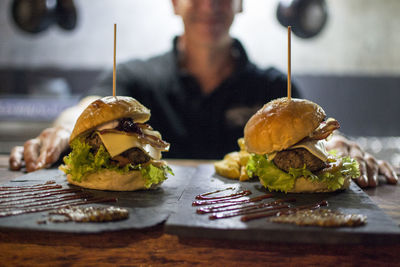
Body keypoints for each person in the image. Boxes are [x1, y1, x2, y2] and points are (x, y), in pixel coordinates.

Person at [8, 0, 397, 188]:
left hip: (251, 227)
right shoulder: (134, 76)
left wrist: (341, 146)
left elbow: (314, 136)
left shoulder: (273, 87)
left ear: (241, 4)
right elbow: (84, 109)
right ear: (175, 3)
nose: (210, 5)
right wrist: (59, 129)